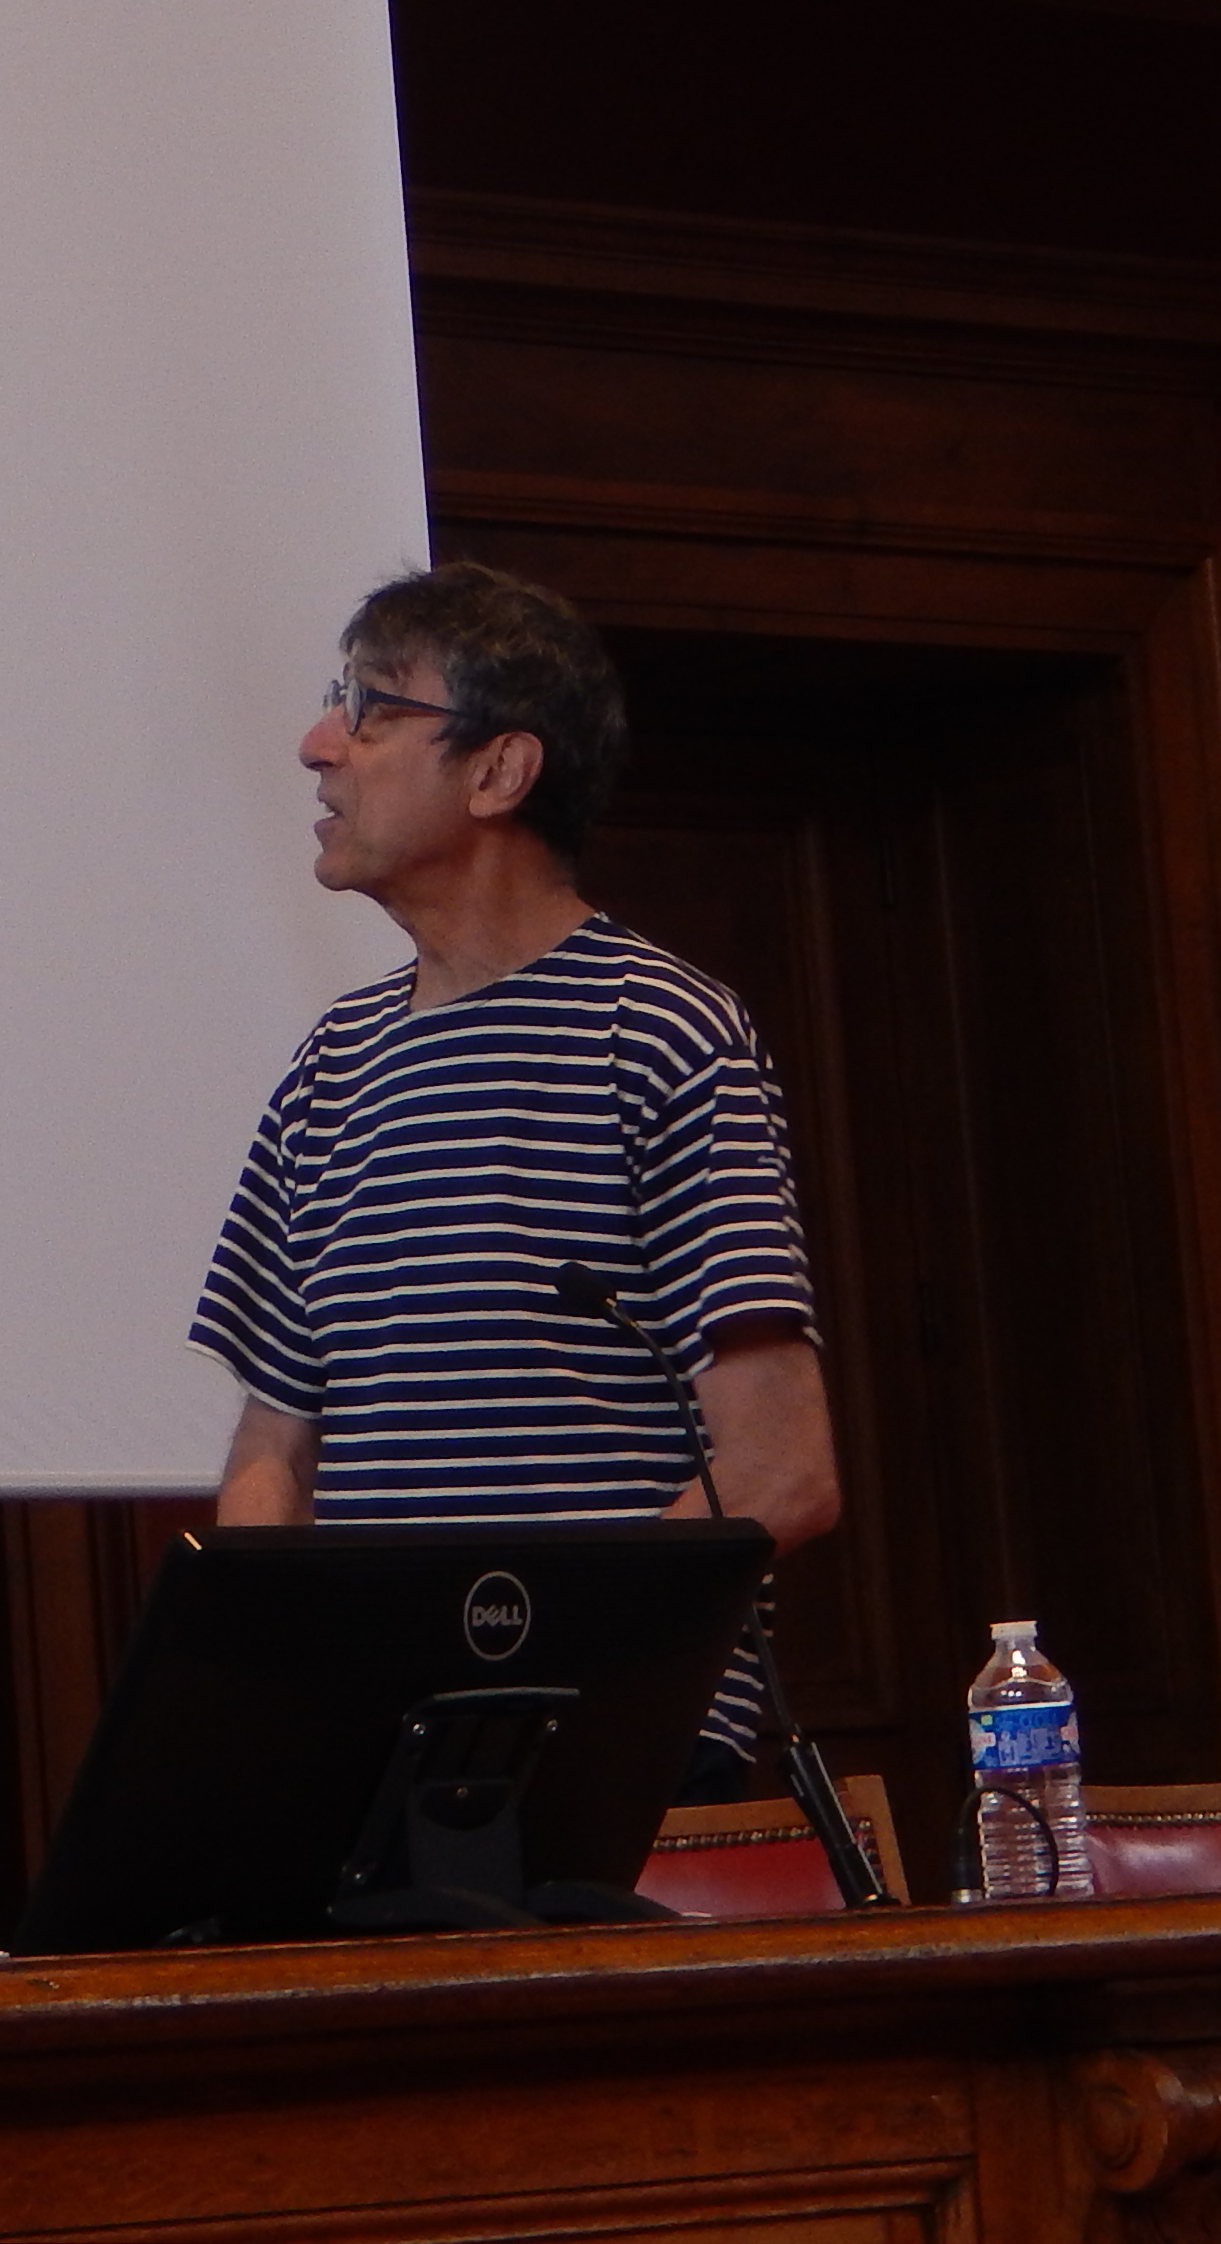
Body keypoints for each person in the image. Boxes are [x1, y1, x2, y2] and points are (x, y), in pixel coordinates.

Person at [189, 560, 837, 1784]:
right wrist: (285, 1699)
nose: (318, 747)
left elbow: (782, 1472)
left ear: (499, 771)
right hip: (384, 1765)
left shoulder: (660, 1031)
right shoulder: (331, 1066)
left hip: (611, 1757)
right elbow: (276, 1449)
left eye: (370, 709)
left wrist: (537, 1679)